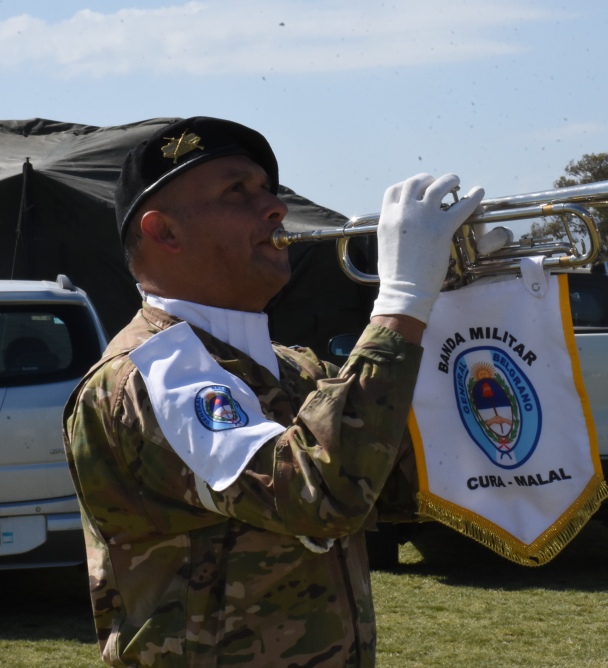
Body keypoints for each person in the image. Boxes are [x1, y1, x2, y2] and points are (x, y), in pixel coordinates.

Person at [62, 116, 485, 667]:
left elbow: (406, 483)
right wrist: (402, 299)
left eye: (267, 189)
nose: (275, 207)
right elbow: (317, 497)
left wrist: (462, 303)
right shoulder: (150, 370)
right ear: (164, 232)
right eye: (237, 191)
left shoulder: (293, 367)